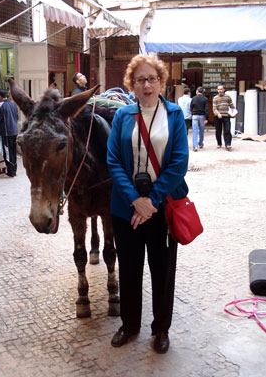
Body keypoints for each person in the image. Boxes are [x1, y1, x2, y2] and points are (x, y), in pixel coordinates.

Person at [107, 55, 189, 354]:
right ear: (131, 84)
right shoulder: (123, 116)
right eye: (140, 79)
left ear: (161, 82)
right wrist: (134, 199)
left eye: (152, 78)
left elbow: (179, 162)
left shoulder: (175, 115)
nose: (146, 84)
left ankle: (161, 329)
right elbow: (113, 161)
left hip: (162, 207)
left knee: (162, 271)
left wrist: (150, 201)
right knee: (129, 269)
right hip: (125, 208)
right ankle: (129, 326)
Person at [213, 85, 236, 150]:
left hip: (226, 116)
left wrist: (233, 113)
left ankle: (228, 144)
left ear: (223, 90)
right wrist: (218, 114)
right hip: (218, 116)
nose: (219, 91)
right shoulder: (215, 98)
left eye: (220, 89)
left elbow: (232, 106)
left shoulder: (228, 97)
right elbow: (214, 108)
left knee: (227, 130)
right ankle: (219, 143)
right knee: (218, 131)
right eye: (218, 89)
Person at [190, 87, 209, 151]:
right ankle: (200, 143)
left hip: (195, 115)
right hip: (202, 116)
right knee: (201, 130)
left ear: (197, 91)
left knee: (195, 131)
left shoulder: (193, 98)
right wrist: (207, 118)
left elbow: (191, 107)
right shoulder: (205, 99)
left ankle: (195, 146)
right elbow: (206, 109)